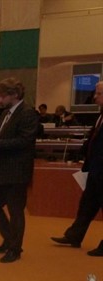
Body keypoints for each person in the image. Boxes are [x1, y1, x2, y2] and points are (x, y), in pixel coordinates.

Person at [0, 78, 39, 263]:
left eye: (2, 96)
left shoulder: (28, 113)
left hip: (17, 171)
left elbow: (25, 142)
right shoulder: (5, 113)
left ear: (14, 95)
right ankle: (9, 239)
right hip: (0, 169)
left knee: (16, 212)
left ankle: (15, 248)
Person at [51, 81, 103, 256]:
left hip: (101, 170)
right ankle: (74, 235)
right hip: (95, 170)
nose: (95, 97)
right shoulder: (100, 115)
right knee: (86, 205)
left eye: (99, 93)